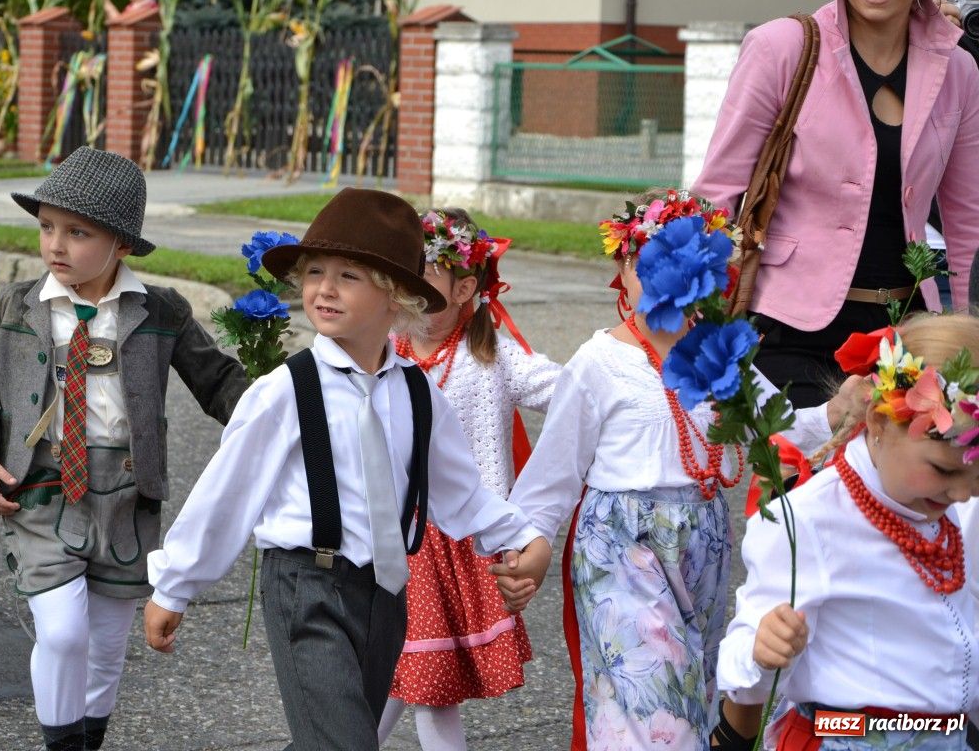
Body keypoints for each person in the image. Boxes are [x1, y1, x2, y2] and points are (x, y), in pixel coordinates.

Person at [142, 187, 553, 751]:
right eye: (314, 272)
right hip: (306, 586)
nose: (324, 289)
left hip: (386, 593)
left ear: (396, 299)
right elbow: (226, 494)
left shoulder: (416, 391)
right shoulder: (285, 390)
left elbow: (461, 491)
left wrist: (524, 536)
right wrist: (175, 585)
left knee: (332, 735)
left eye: (348, 276)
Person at [502, 190, 866, 750]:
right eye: (640, 262)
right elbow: (555, 470)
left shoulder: (717, 349)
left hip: (702, 538)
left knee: (694, 684)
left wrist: (833, 412)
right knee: (653, 700)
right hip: (623, 545)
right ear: (621, 274)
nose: (655, 275)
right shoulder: (599, 362)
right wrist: (529, 544)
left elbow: (772, 421)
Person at [0, 146, 248, 751]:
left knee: (106, 646)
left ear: (121, 244)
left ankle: (89, 740)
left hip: (125, 500)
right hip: (40, 490)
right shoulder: (14, 306)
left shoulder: (160, 310)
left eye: (77, 232)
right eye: (46, 227)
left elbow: (219, 383)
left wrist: (281, 413)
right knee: (62, 634)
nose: (55, 244)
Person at [693, 0, 979, 409]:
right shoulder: (781, 48)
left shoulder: (958, 69)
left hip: (906, 334)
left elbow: (968, 222)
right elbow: (717, 194)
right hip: (789, 331)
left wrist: (968, 337)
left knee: (893, 478)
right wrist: (697, 322)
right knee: (804, 475)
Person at [718, 314, 979, 750]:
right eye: (942, 470)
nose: (963, 493)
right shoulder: (811, 519)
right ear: (878, 423)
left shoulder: (946, 509)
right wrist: (761, 650)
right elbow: (745, 659)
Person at [377, 208, 561, 751]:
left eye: (427, 273)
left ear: (463, 288)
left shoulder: (495, 357)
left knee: (427, 688)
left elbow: (571, 395)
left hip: (454, 542)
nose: (410, 283)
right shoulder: (387, 348)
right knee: (396, 670)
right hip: (393, 537)